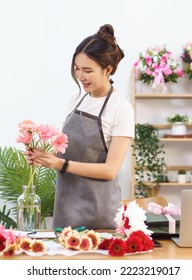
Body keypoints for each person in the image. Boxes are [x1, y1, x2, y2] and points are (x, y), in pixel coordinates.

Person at [25, 24, 134, 230]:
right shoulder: (77, 99)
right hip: (66, 210)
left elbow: (110, 170)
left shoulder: (121, 109)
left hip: (100, 214)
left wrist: (60, 165)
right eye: (76, 68)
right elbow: (68, 150)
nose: (80, 76)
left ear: (107, 69)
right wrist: (42, 155)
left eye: (87, 70)